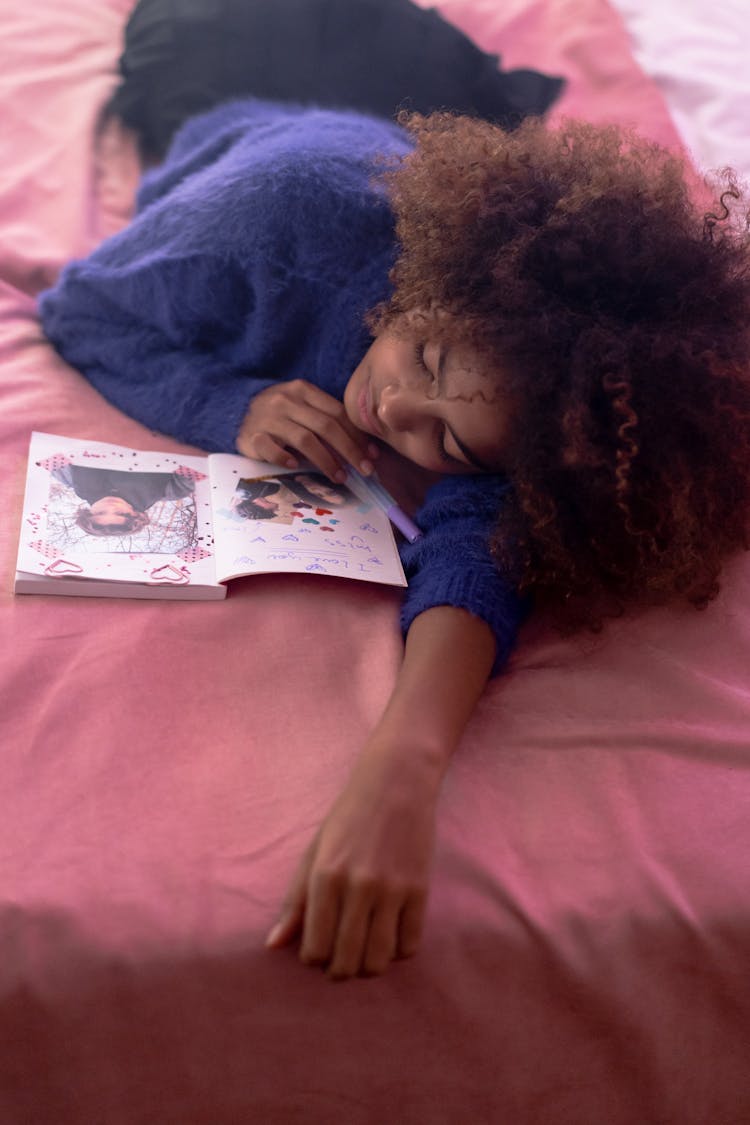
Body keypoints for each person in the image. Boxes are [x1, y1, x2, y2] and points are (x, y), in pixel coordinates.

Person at [38, 97, 750, 979]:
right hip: (231, 127)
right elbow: (81, 308)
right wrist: (235, 402)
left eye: (444, 442)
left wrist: (403, 769)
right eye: (429, 356)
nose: (394, 411)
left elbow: (481, 545)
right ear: (441, 286)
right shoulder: (267, 223)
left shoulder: (521, 396)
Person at [52, 463, 195, 536]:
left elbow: (50, 450)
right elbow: (196, 465)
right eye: (121, 514)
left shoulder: (70, 479)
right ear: (136, 514)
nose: (111, 507)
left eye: (100, 513)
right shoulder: (171, 491)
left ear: (88, 511)